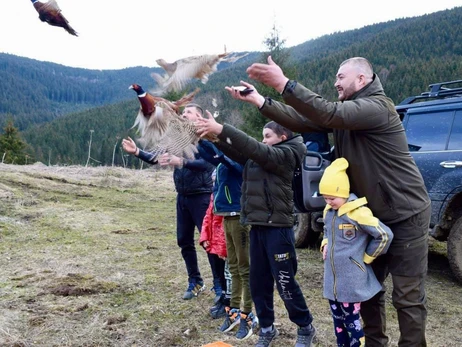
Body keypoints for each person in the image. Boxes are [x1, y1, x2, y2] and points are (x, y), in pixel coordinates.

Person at [227, 56, 431, 347]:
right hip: (367, 217)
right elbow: (303, 120)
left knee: (407, 297)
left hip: (405, 214)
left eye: (341, 76)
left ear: (362, 80)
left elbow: (328, 113)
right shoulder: (346, 114)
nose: (335, 82)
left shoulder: (377, 107)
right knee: (367, 291)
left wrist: (285, 84)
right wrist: (261, 101)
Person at [196, 116, 316, 347]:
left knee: (284, 282)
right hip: (257, 227)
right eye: (262, 137)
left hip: (278, 230)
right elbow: (236, 151)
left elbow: (255, 149)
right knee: (258, 283)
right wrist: (213, 136)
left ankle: (305, 326)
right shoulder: (263, 155)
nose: (263, 141)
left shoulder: (287, 154)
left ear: (283, 137)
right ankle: (267, 329)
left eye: (267, 136)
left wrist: (222, 128)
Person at [122, 103, 215, 300]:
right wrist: (137, 152)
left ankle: (220, 285)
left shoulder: (206, 137)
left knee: (209, 242)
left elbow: (207, 165)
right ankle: (195, 281)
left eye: (188, 112)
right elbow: (158, 158)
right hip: (182, 197)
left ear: (199, 117)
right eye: (183, 112)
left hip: (202, 196)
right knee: (184, 241)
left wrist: (180, 161)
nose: (183, 115)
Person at [318, 157, 393, 347]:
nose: (328, 202)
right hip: (332, 283)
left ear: (343, 192)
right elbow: (327, 229)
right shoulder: (329, 211)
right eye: (325, 198)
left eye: (332, 198)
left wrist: (367, 258)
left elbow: (384, 235)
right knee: (338, 322)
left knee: (352, 323)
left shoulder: (357, 213)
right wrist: (325, 242)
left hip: (351, 283)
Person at [197, 140, 255, 340]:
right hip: (226, 216)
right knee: (233, 267)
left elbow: (227, 160)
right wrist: (194, 135)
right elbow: (206, 153)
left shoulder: (240, 161)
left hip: (239, 216)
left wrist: (216, 143)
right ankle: (235, 311)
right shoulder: (222, 162)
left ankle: (247, 314)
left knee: (245, 268)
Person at [199, 169, 229, 306]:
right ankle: (222, 294)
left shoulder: (228, 197)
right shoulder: (213, 195)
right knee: (218, 270)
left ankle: (228, 301)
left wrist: (223, 248)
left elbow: (226, 225)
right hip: (213, 243)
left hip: (222, 245)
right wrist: (204, 237)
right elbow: (207, 217)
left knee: (227, 272)